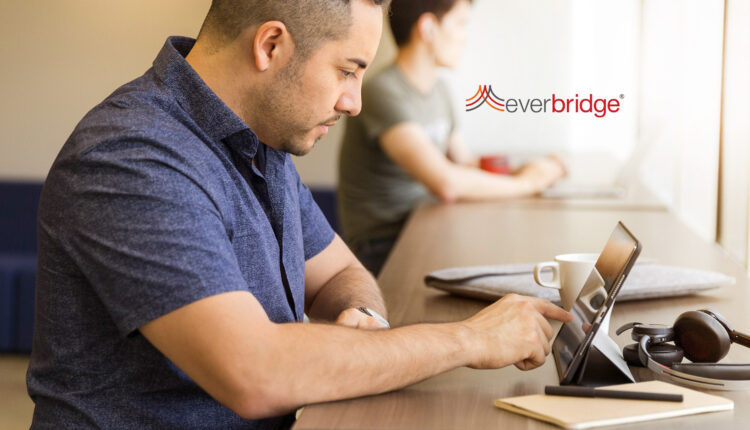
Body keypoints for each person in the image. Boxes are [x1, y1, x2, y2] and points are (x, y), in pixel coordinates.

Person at [27, 1, 572, 429]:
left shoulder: (261, 142)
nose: (354, 102)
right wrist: (471, 340)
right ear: (271, 45)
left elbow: (339, 272)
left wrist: (365, 320)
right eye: (347, 71)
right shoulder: (131, 157)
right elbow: (254, 371)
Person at [338, 0, 567, 275]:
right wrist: (528, 183)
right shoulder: (382, 92)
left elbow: (464, 163)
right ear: (428, 28)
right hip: (384, 245)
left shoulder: (440, 91)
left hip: (427, 225)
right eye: (460, 24)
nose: (464, 37)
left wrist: (526, 168)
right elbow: (446, 182)